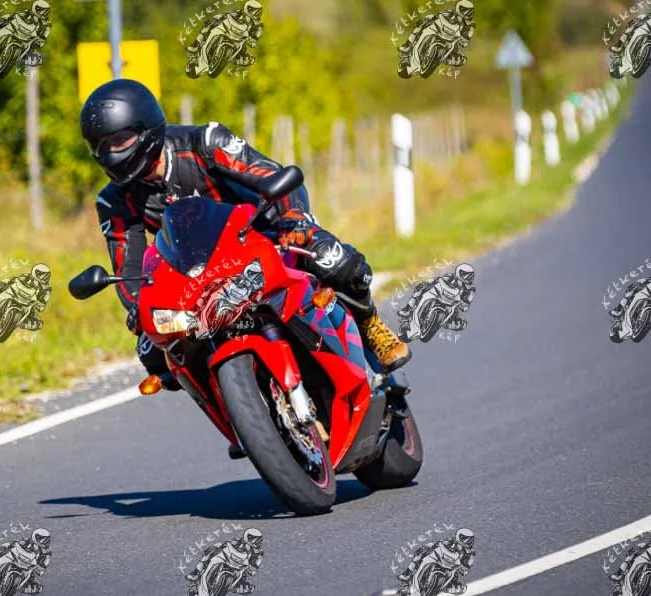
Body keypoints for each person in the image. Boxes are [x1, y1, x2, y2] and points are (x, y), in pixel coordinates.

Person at [80, 79, 411, 409]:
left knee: (331, 258)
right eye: (101, 146)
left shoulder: (204, 142)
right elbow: (128, 266)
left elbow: (271, 175)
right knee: (151, 350)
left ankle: (369, 325)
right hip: (199, 272)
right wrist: (138, 306)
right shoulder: (113, 201)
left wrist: (294, 219)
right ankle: (234, 404)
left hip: (266, 233)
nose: (111, 153)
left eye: (120, 140)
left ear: (148, 129)